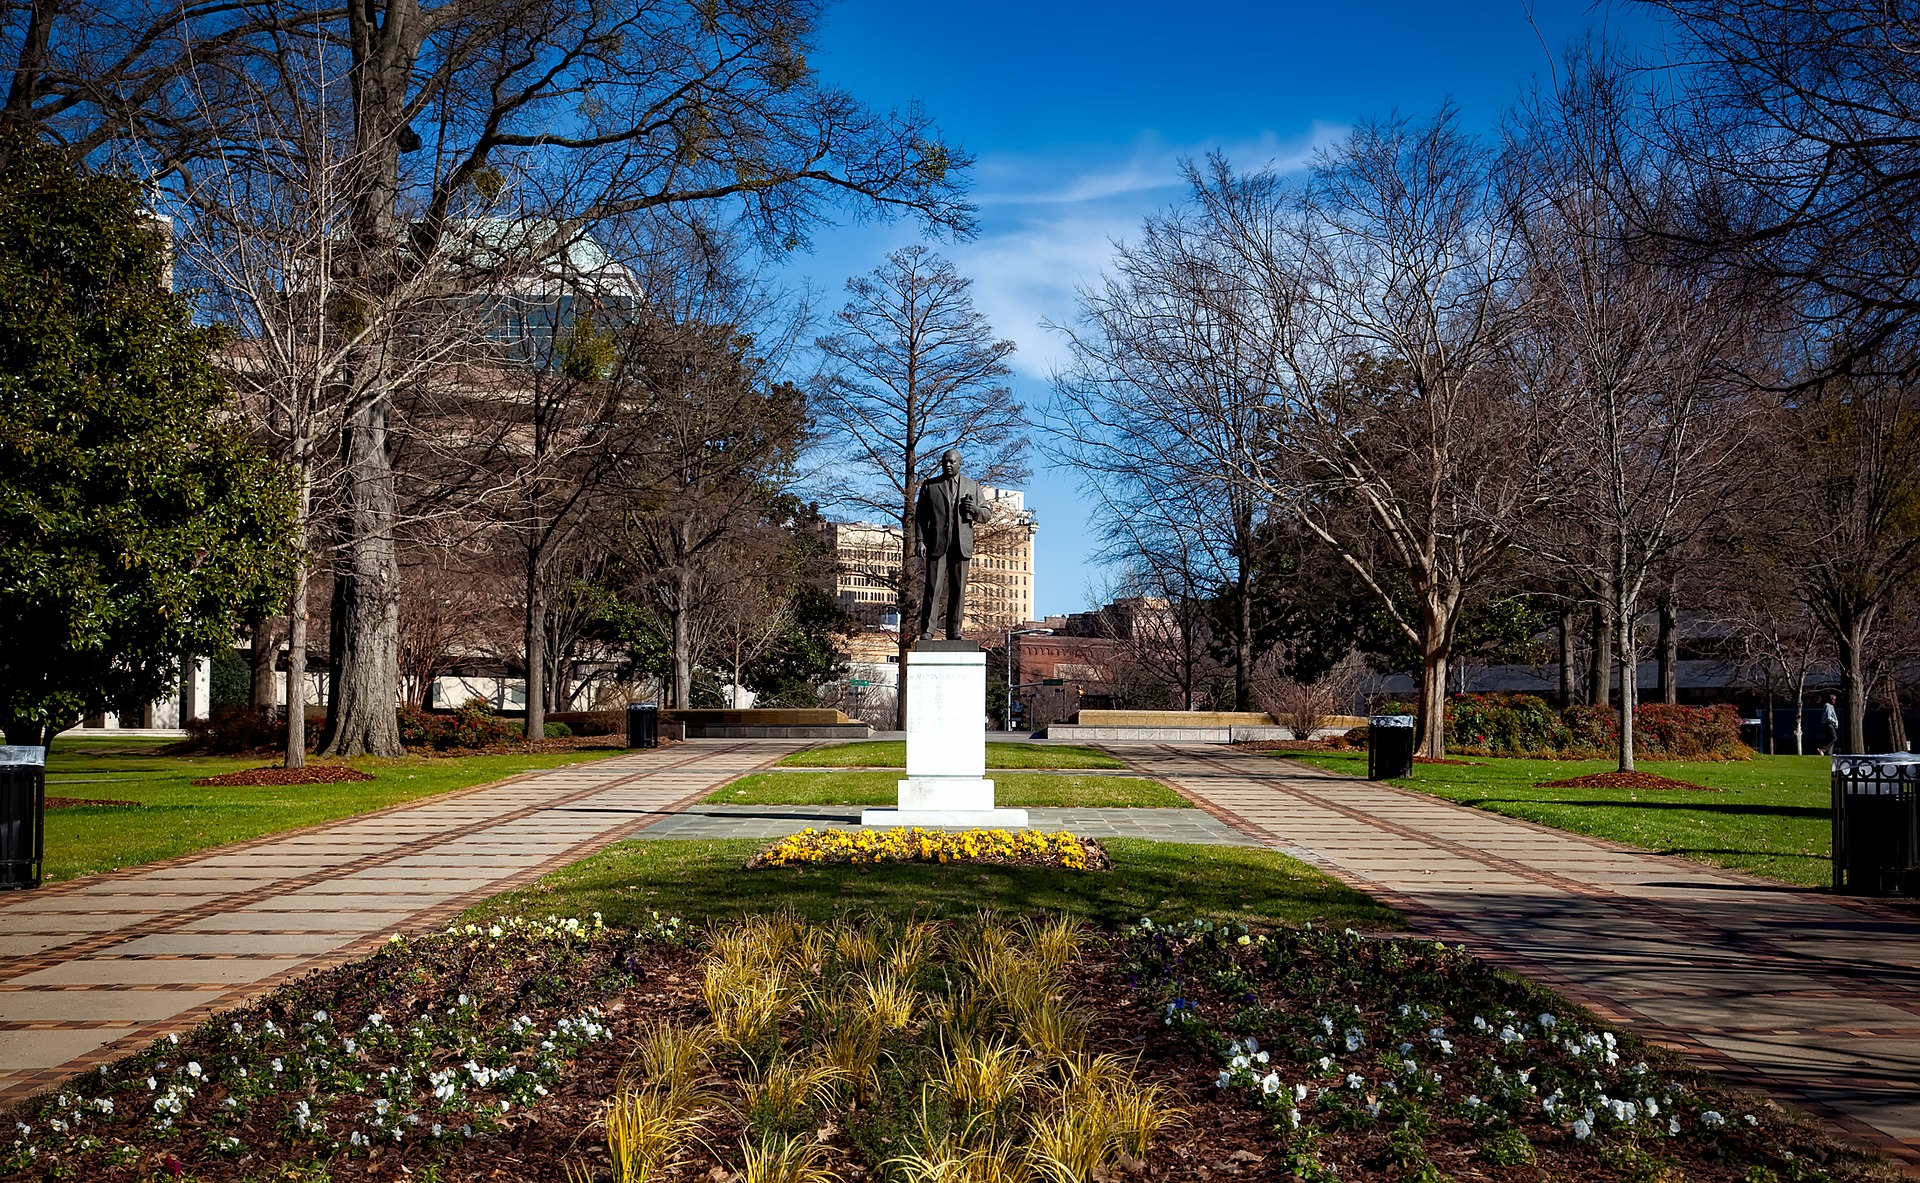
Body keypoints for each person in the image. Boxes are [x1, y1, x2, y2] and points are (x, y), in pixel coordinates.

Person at [913, 449, 994, 640]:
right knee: (933, 588)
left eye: (951, 462)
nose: (947, 465)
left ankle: (954, 630)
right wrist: (920, 540)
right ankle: (928, 630)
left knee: (958, 589)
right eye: (945, 462)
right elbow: (920, 517)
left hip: (961, 544)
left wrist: (974, 510)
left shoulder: (972, 486)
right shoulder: (930, 486)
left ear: (960, 464)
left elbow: (987, 514)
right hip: (936, 544)